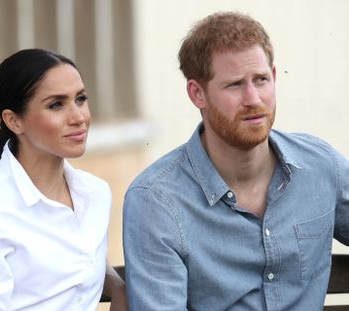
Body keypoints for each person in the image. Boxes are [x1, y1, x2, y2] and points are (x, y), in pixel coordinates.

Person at [123, 11, 349, 310]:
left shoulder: (321, 167)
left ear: (275, 76)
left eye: (261, 80)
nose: (253, 98)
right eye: (234, 85)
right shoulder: (156, 201)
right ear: (197, 93)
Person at [0, 48, 127, 310]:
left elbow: (77, 257)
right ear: (14, 121)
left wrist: (117, 285)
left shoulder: (94, 193)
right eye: (56, 104)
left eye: (80, 99)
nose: (79, 117)